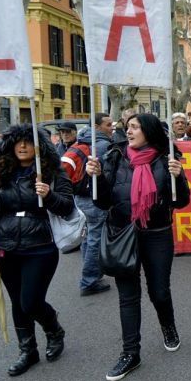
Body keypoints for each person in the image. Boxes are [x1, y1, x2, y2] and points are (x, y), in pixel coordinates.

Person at [86, 113, 191, 381]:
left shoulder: (167, 159)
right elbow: (102, 202)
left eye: (135, 127)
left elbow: (181, 202)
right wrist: (95, 179)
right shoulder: (114, 157)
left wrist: (178, 178)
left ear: (149, 131)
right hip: (122, 234)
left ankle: (168, 326)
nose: (129, 131)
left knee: (159, 292)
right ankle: (130, 353)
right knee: (128, 296)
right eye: (128, 127)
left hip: (157, 235)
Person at [0, 124, 74, 376]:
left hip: (40, 247)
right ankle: (28, 351)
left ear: (40, 146)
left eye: (28, 141)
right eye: (18, 141)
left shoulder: (52, 171)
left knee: (31, 301)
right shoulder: (1, 171)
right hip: (7, 247)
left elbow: (67, 207)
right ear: (10, 145)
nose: (23, 146)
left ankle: (53, 329)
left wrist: (48, 195)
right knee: (18, 302)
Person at [67, 113, 114, 296]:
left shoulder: (81, 140)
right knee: (95, 239)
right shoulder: (101, 145)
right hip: (94, 199)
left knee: (88, 237)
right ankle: (90, 280)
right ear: (96, 127)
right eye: (108, 124)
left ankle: (91, 274)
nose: (112, 128)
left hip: (80, 197)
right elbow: (108, 174)